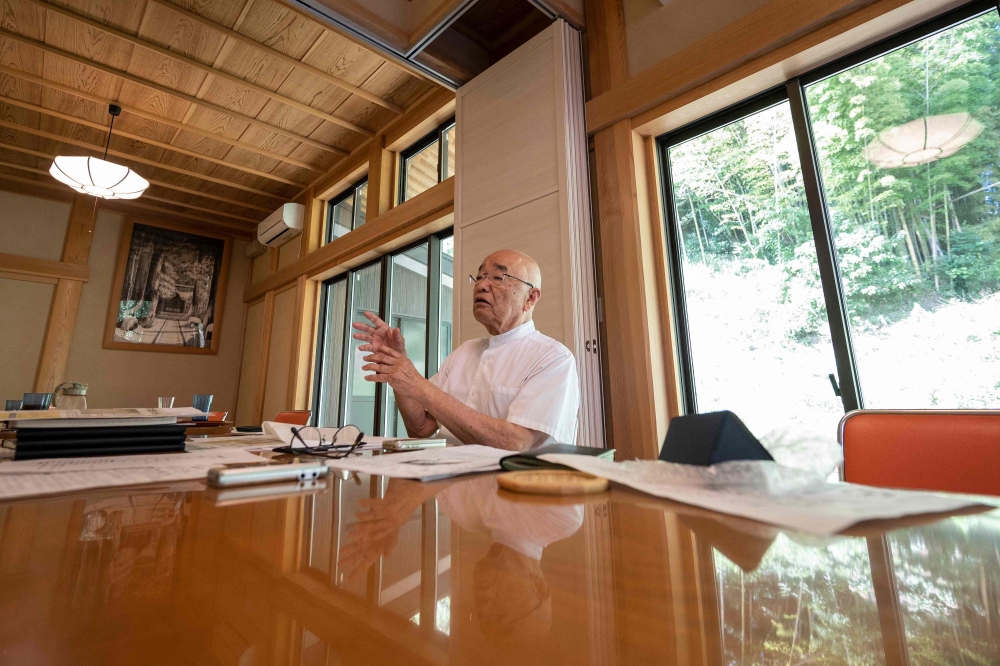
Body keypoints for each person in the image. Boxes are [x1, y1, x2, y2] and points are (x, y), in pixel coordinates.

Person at [352, 249, 579, 451]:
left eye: (498, 277)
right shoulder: (465, 352)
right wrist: (397, 367)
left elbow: (516, 443)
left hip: (513, 492)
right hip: (448, 486)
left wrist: (418, 385)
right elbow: (421, 428)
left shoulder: (552, 358)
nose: (481, 285)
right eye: (479, 277)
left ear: (530, 297)